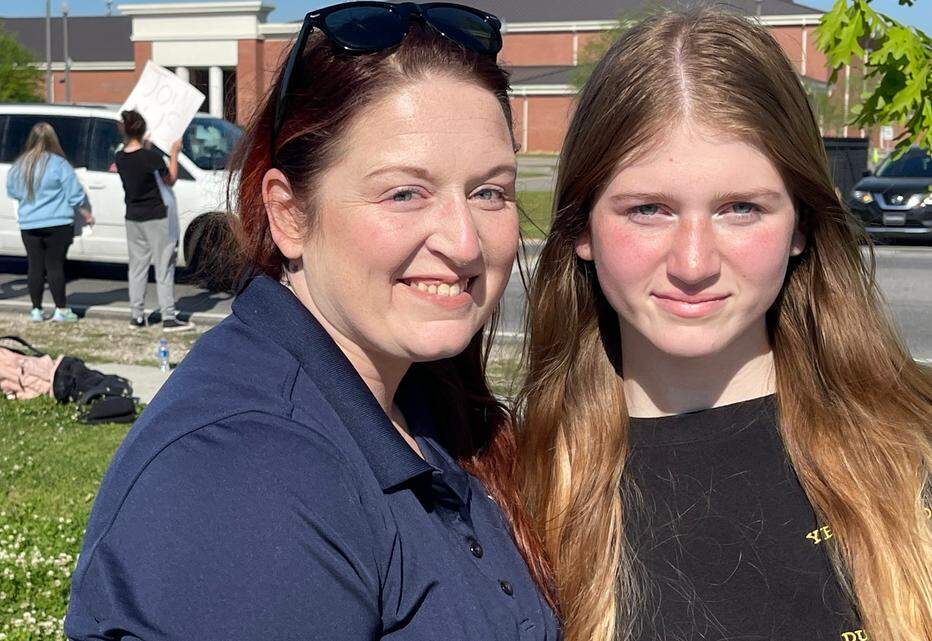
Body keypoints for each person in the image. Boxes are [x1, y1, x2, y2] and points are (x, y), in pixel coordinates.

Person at [66, 3, 559, 640]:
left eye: (489, 191)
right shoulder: (248, 480)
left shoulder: (415, 392)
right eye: (404, 192)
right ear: (290, 215)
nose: (465, 243)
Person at [517, 8, 932, 641]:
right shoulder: (513, 495)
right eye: (648, 209)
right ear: (581, 229)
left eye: (740, 209)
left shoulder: (914, 456)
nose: (693, 263)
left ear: (800, 225)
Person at [113, 109, 193, 332]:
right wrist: (174, 153)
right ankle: (168, 317)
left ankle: (136, 316)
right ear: (143, 130)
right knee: (164, 266)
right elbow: (170, 179)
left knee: (137, 267)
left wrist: (144, 144)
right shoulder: (152, 158)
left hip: (133, 217)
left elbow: (138, 160)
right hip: (157, 216)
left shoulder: (120, 157)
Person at [6, 122, 93, 322]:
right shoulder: (59, 164)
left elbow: (12, 191)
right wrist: (87, 214)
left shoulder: (20, 165)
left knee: (34, 266)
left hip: (29, 223)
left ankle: (36, 310)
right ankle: (60, 310)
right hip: (58, 222)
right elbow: (75, 194)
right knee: (55, 266)